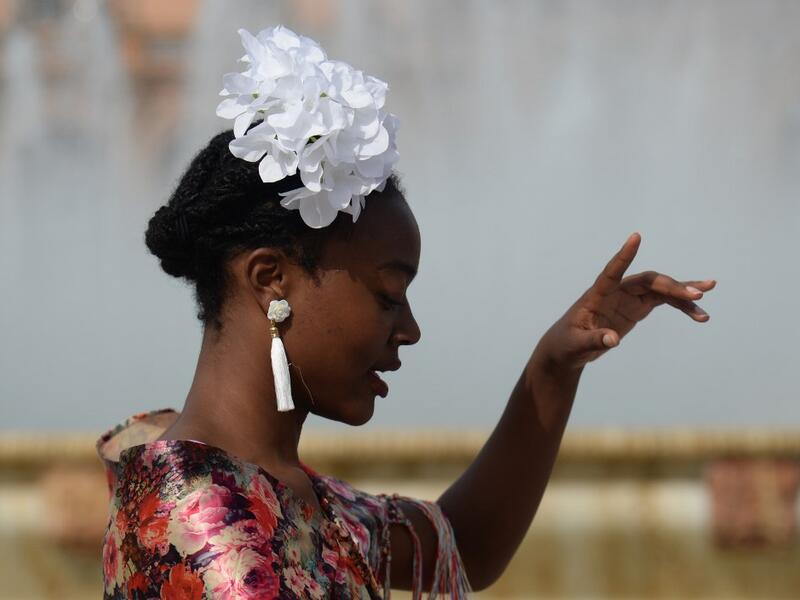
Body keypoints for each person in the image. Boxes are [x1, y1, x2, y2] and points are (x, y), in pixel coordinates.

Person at [96, 26, 716, 599]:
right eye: (388, 295)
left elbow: (460, 545)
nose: (411, 330)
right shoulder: (216, 546)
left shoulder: (257, 479)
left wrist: (553, 368)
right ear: (270, 279)